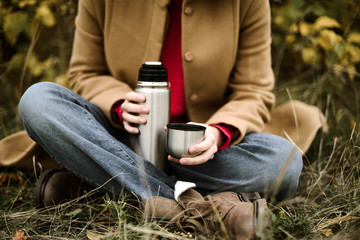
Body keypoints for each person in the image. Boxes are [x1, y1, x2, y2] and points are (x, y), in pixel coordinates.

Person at [15, 0, 325, 238]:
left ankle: (96, 181)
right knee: (38, 101)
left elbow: (254, 91)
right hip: (117, 135)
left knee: (283, 162)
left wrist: (217, 133)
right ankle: (198, 208)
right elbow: (85, 73)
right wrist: (120, 104)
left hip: (201, 154)